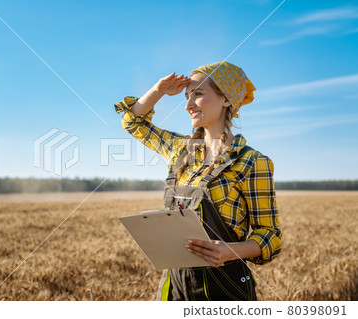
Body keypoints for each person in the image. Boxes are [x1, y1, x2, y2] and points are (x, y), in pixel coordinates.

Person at [114, 61, 282, 301]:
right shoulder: (180, 149)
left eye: (198, 94)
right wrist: (158, 90)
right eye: (186, 96)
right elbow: (133, 121)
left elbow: (270, 236)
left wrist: (228, 252)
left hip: (225, 287)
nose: (188, 105)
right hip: (175, 285)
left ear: (226, 100)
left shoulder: (252, 161)